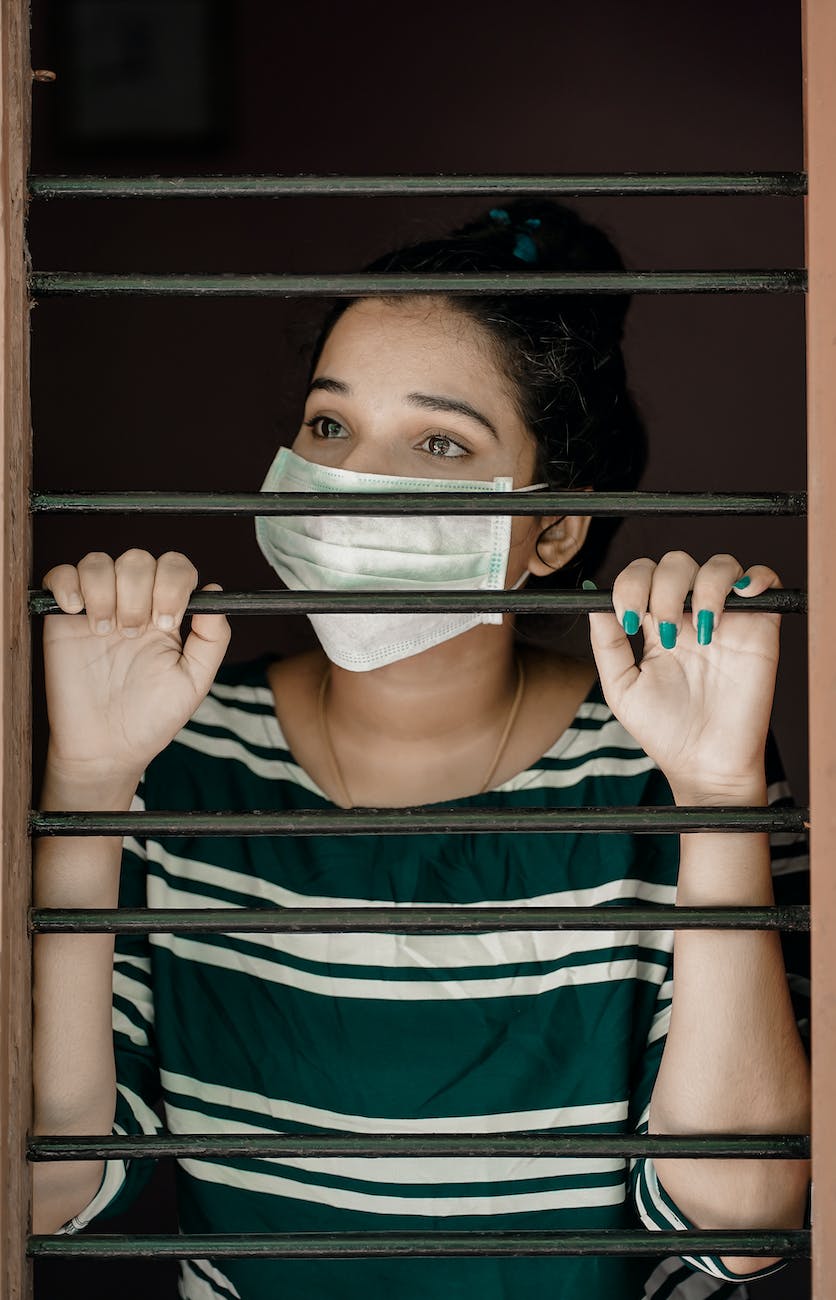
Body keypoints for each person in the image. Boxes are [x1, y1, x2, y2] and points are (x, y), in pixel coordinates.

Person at [32, 200, 811, 1300]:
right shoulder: (176, 751)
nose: (353, 480)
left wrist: (718, 793)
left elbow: (739, 1221)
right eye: (327, 426)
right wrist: (89, 784)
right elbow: (44, 1194)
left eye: (438, 442)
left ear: (552, 529)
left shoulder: (662, 765)